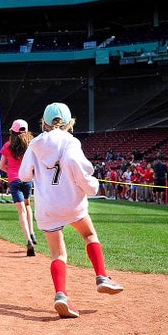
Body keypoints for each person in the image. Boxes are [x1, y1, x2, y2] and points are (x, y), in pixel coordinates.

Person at [19, 102, 124, 319]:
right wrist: (93, 187)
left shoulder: (35, 145)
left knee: (59, 253)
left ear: (44, 123)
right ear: (69, 123)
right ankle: (102, 277)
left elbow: (23, 175)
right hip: (72, 202)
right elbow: (77, 168)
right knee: (89, 235)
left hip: (47, 206)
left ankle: (61, 295)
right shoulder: (71, 142)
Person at [0, 118, 38, 256]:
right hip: (27, 179)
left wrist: (10, 171)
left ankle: (28, 239)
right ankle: (33, 233)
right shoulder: (31, 145)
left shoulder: (8, 146)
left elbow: (1, 166)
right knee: (28, 206)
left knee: (21, 210)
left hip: (14, 181)